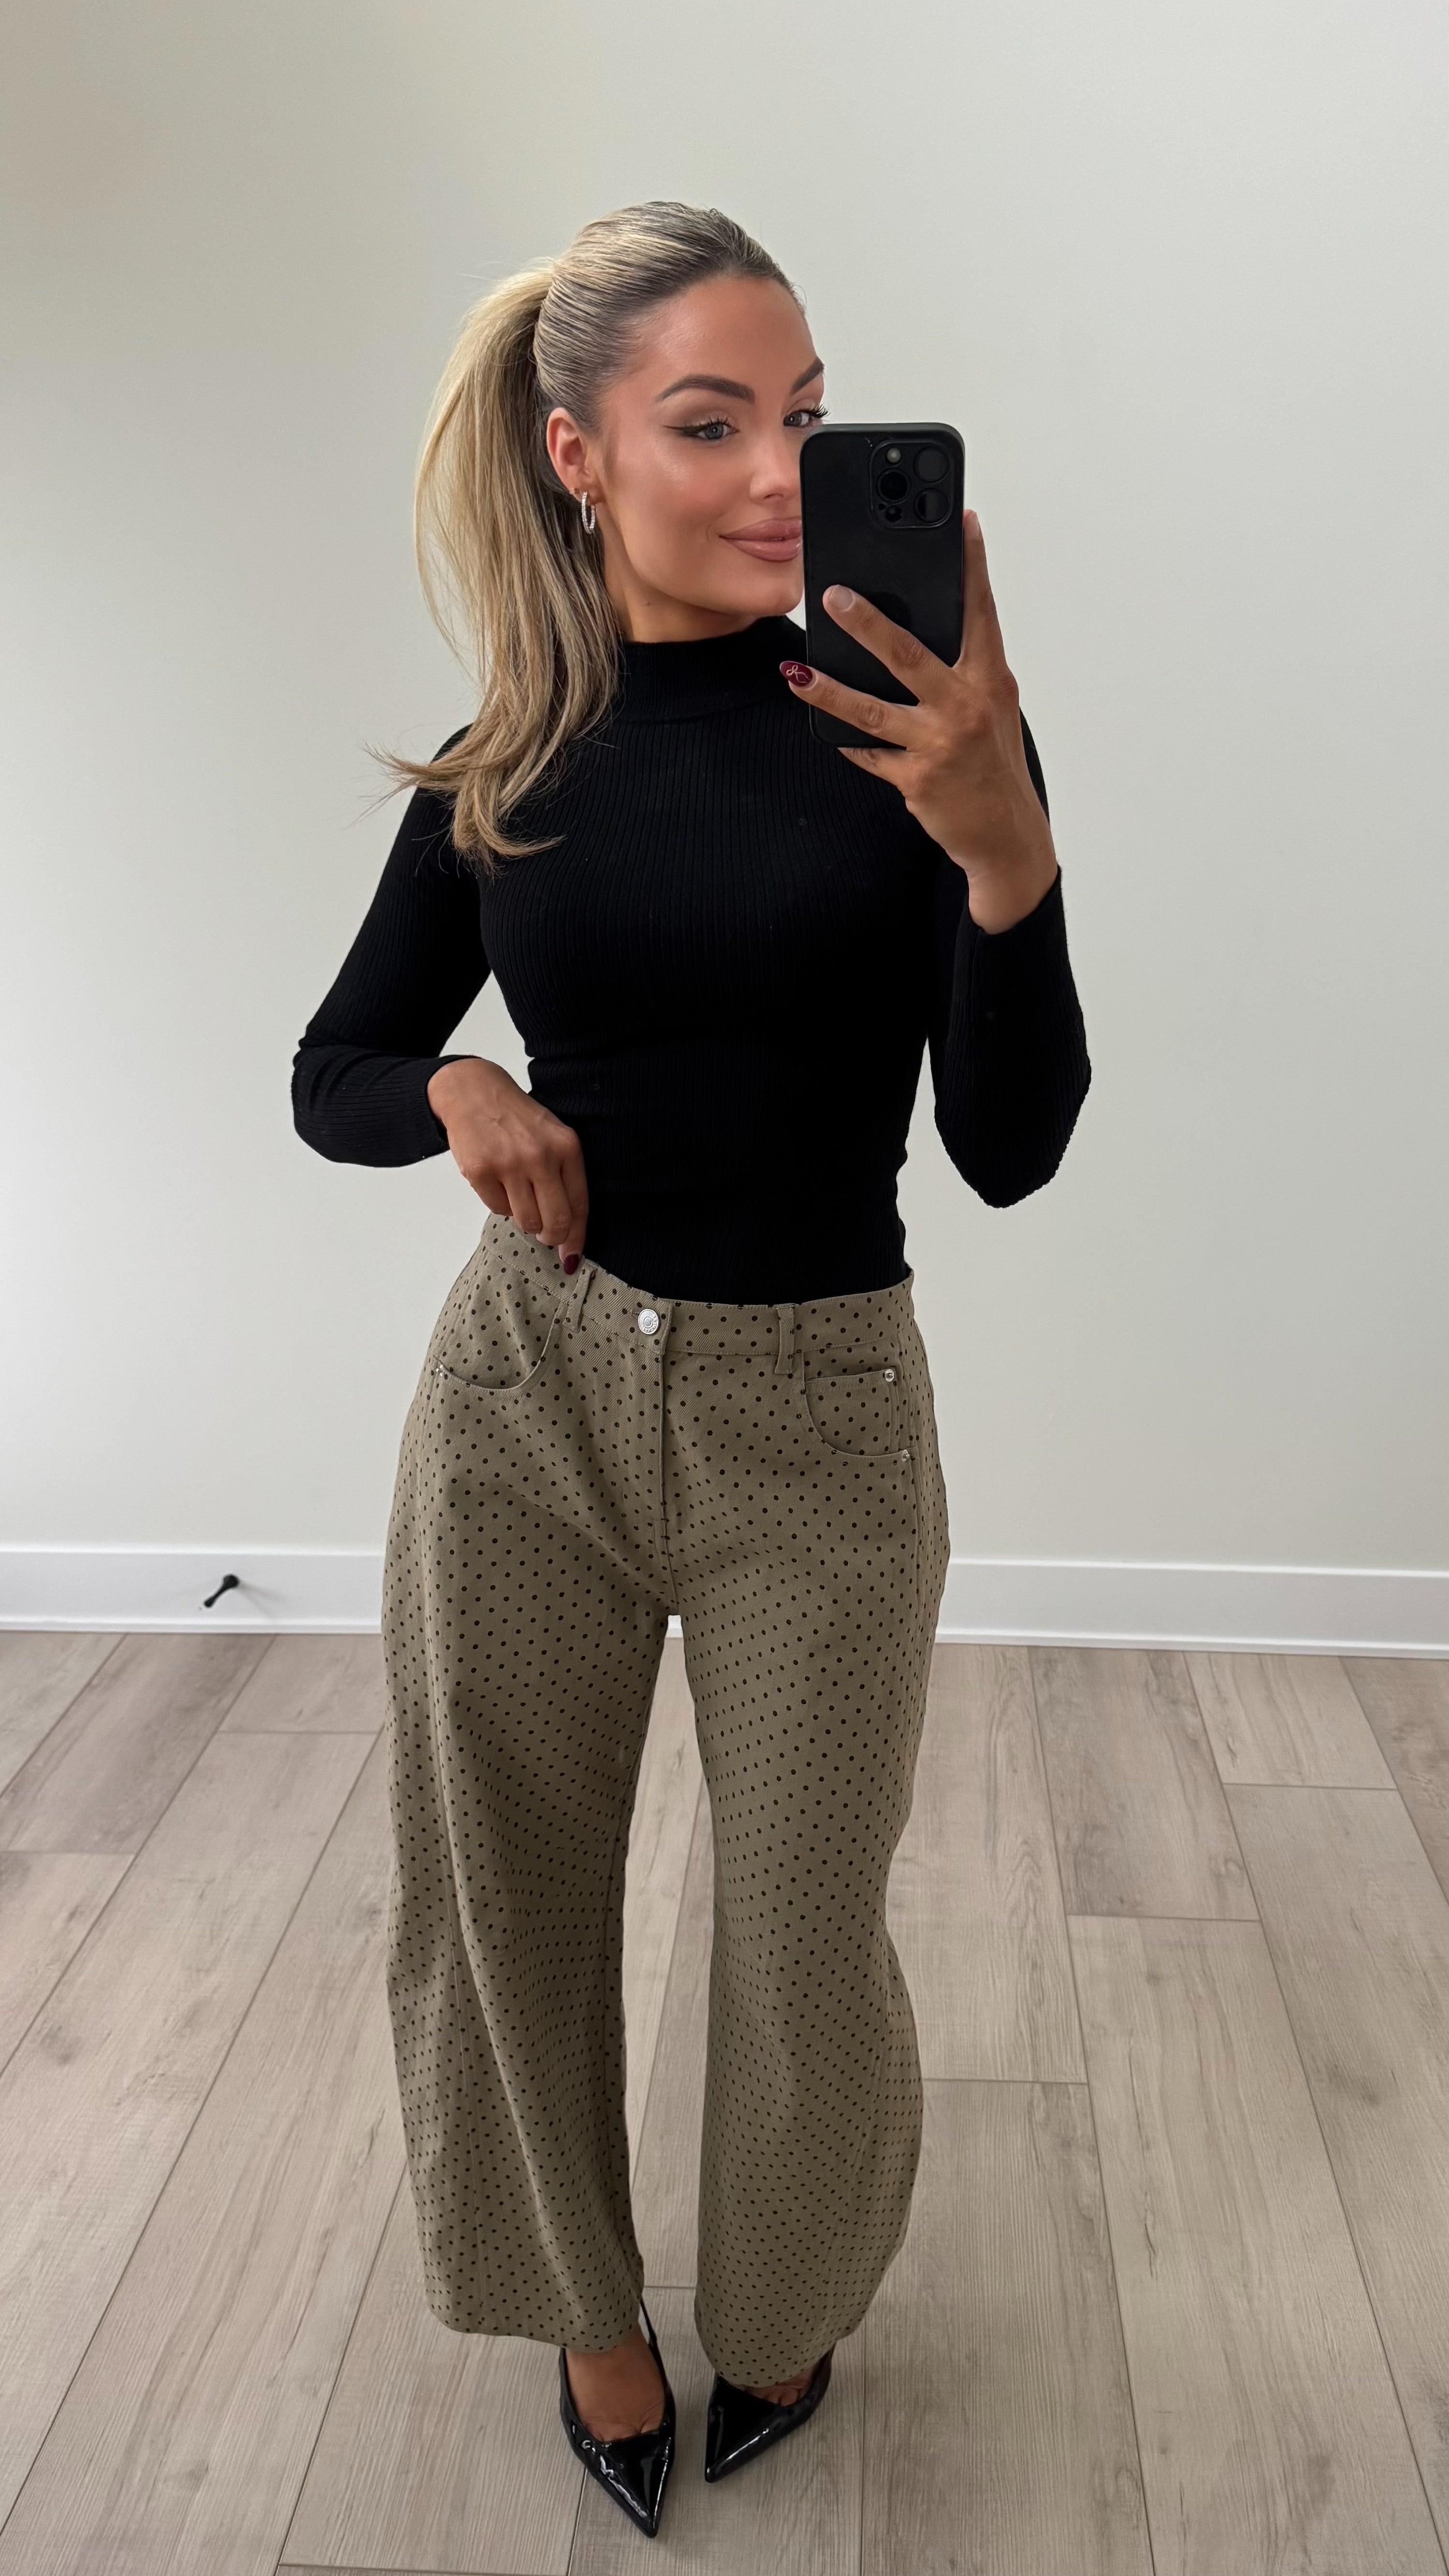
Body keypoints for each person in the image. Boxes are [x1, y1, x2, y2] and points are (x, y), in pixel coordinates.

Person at [292, 199, 1090, 2540]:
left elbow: (1012, 1146)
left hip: (818, 1412)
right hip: (528, 1402)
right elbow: (339, 1065)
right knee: (503, 1889)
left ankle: (786, 2299)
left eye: (808, 422)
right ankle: (585, 2313)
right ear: (580, 454)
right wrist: (458, 1088)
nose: (777, 478)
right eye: (712, 424)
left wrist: (1004, 855)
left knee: (804, 1925)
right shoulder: (513, 757)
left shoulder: (925, 737)